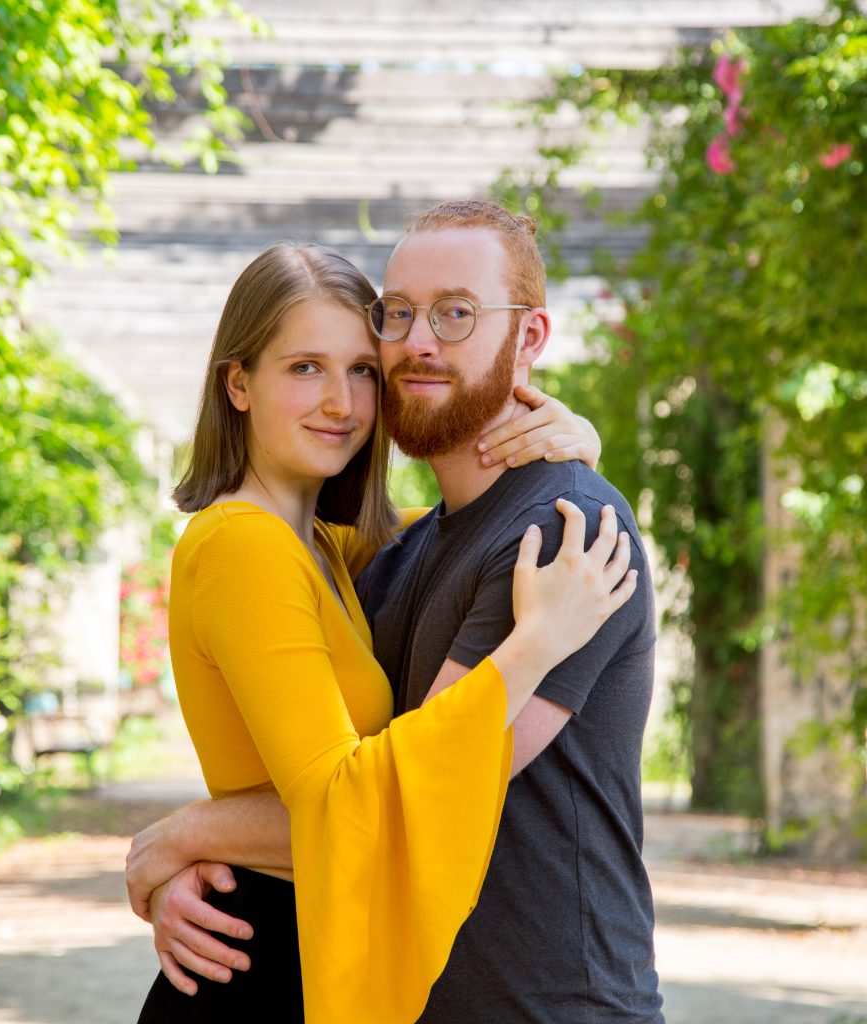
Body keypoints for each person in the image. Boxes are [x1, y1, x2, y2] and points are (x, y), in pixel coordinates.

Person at [128, 201, 666, 1023]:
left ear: (529, 340)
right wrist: (180, 841)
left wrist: (186, 837)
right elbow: (367, 801)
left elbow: (400, 803)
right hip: (306, 969)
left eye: (456, 314)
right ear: (238, 383)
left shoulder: (533, 539)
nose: (415, 344)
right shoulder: (276, 547)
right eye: (400, 315)